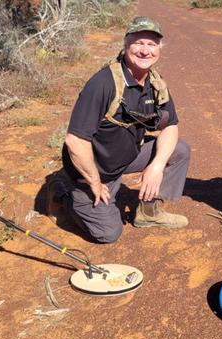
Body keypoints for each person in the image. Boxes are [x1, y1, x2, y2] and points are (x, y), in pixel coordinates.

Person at [47, 16, 190, 243]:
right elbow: (75, 141)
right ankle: (64, 196)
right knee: (108, 233)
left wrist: (156, 167)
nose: (145, 51)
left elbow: (170, 126)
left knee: (179, 150)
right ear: (126, 45)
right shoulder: (103, 83)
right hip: (93, 172)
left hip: (124, 158)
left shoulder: (155, 83)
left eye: (152, 44)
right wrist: (94, 181)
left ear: (159, 49)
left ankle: (148, 212)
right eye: (138, 43)